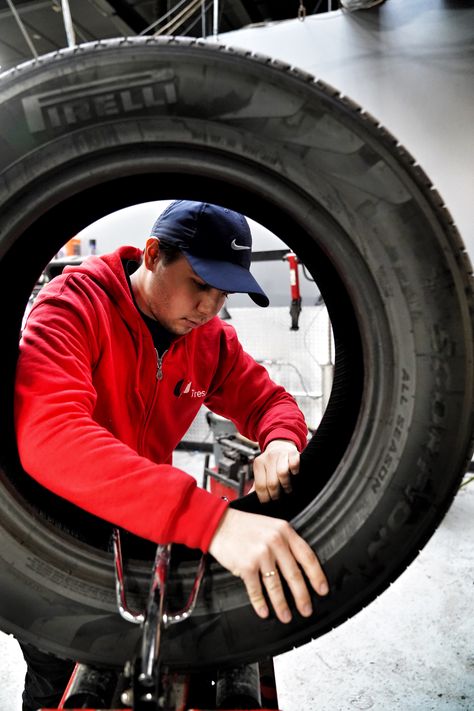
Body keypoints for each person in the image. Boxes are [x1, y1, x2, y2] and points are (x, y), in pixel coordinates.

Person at [14, 200, 329, 710]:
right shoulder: (73, 304)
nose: (210, 307)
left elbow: (272, 402)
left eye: (223, 294)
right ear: (154, 254)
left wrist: (282, 441)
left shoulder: (210, 340)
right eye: (201, 285)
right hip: (53, 536)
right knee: (59, 683)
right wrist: (211, 522)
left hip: (139, 531)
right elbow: (50, 432)